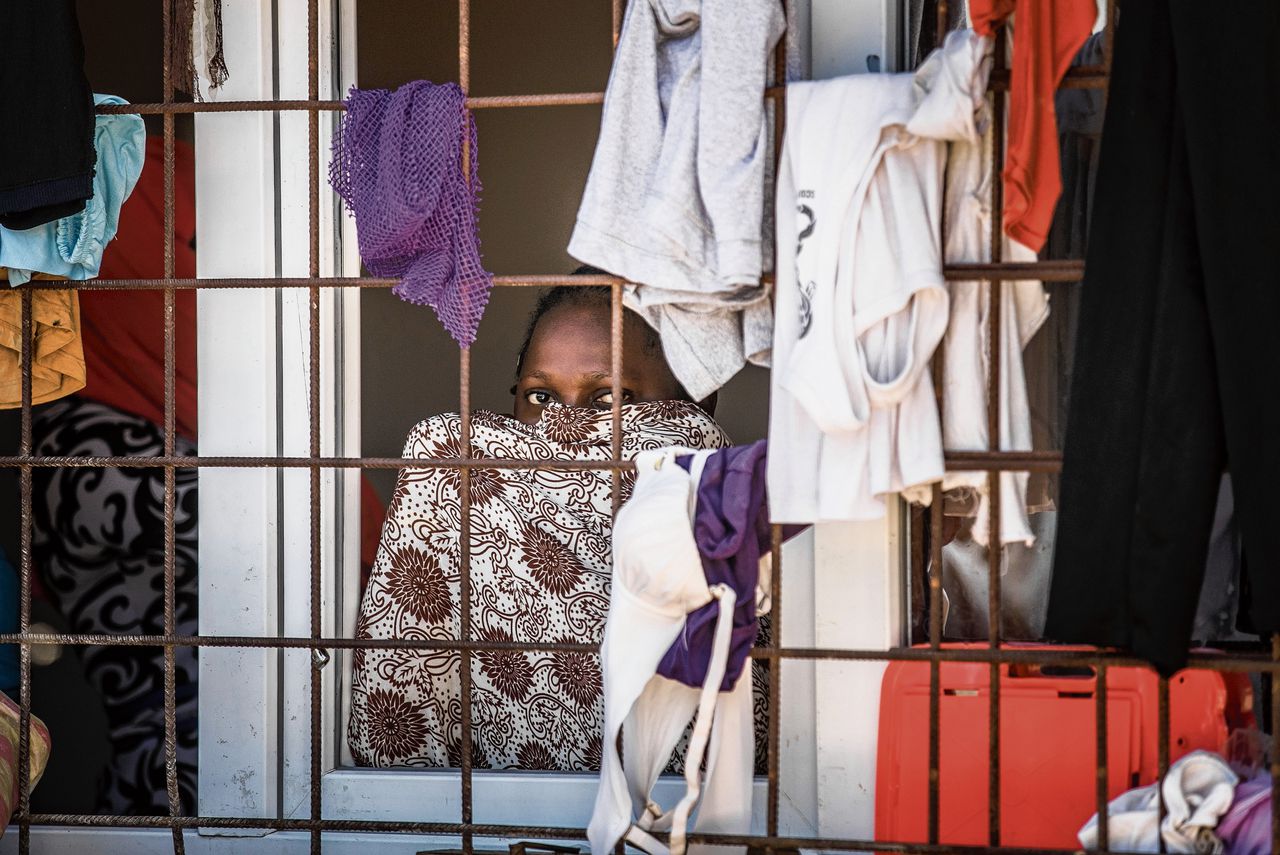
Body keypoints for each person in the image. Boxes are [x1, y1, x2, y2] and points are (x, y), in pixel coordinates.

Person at [348, 274, 774, 773]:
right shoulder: (460, 484)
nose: (564, 428)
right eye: (541, 397)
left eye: (608, 400)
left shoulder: (752, 520)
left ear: (699, 405)